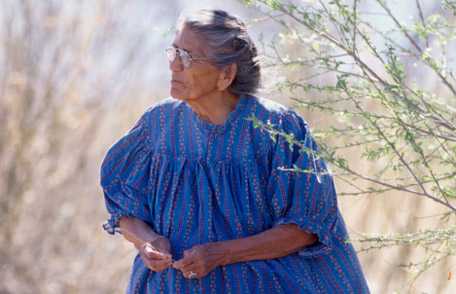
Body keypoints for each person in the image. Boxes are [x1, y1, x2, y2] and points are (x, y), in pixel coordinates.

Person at [100, 9, 369, 293]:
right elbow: (125, 208)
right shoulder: (158, 126)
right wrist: (147, 240)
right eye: (173, 51)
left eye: (187, 57)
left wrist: (221, 253)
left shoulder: (278, 130)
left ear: (226, 74)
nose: (174, 65)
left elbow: (305, 228)